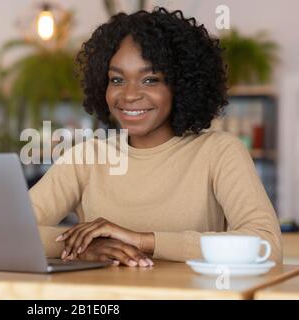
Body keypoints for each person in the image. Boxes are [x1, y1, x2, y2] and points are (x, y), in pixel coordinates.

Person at [29, 7, 282, 267]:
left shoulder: (219, 151)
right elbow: (5, 231)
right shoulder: (87, 157)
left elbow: (266, 245)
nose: (129, 95)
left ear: (181, 85)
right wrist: (86, 246)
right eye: (116, 80)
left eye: (150, 80)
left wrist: (143, 241)